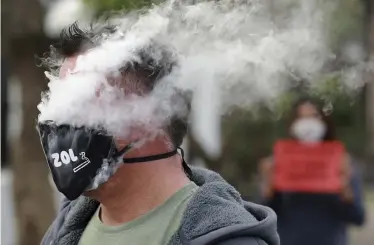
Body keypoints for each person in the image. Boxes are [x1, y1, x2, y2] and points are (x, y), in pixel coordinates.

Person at [39, 23, 279, 245]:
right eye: (60, 101)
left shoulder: (229, 239)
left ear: (149, 112)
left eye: (79, 100)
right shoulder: (63, 230)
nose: (61, 119)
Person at [259, 97, 365, 245]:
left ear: (325, 122)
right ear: (293, 125)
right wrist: (268, 184)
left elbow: (358, 217)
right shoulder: (278, 164)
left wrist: (345, 187)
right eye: (301, 117)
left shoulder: (342, 164)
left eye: (313, 116)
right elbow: (264, 215)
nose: (307, 124)